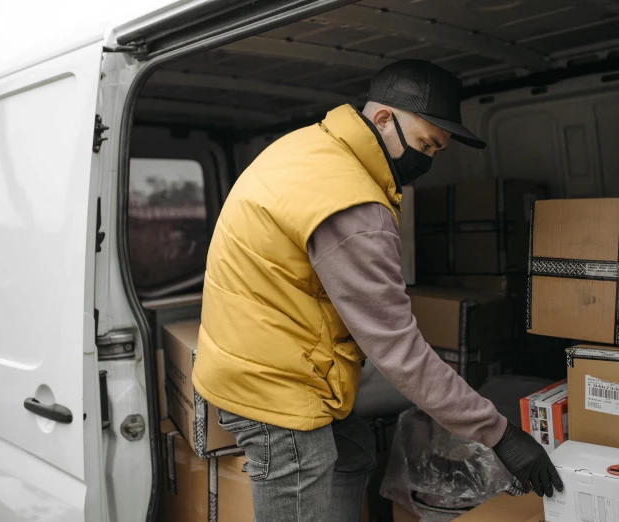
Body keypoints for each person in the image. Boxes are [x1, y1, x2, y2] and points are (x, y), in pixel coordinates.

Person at [192, 59, 562, 522]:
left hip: (244, 355)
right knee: (305, 474)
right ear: (384, 118)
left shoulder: (311, 145)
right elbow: (398, 350)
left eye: (436, 150)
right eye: (425, 144)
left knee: (354, 447)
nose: (426, 160)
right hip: (273, 390)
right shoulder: (351, 203)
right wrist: (500, 434)